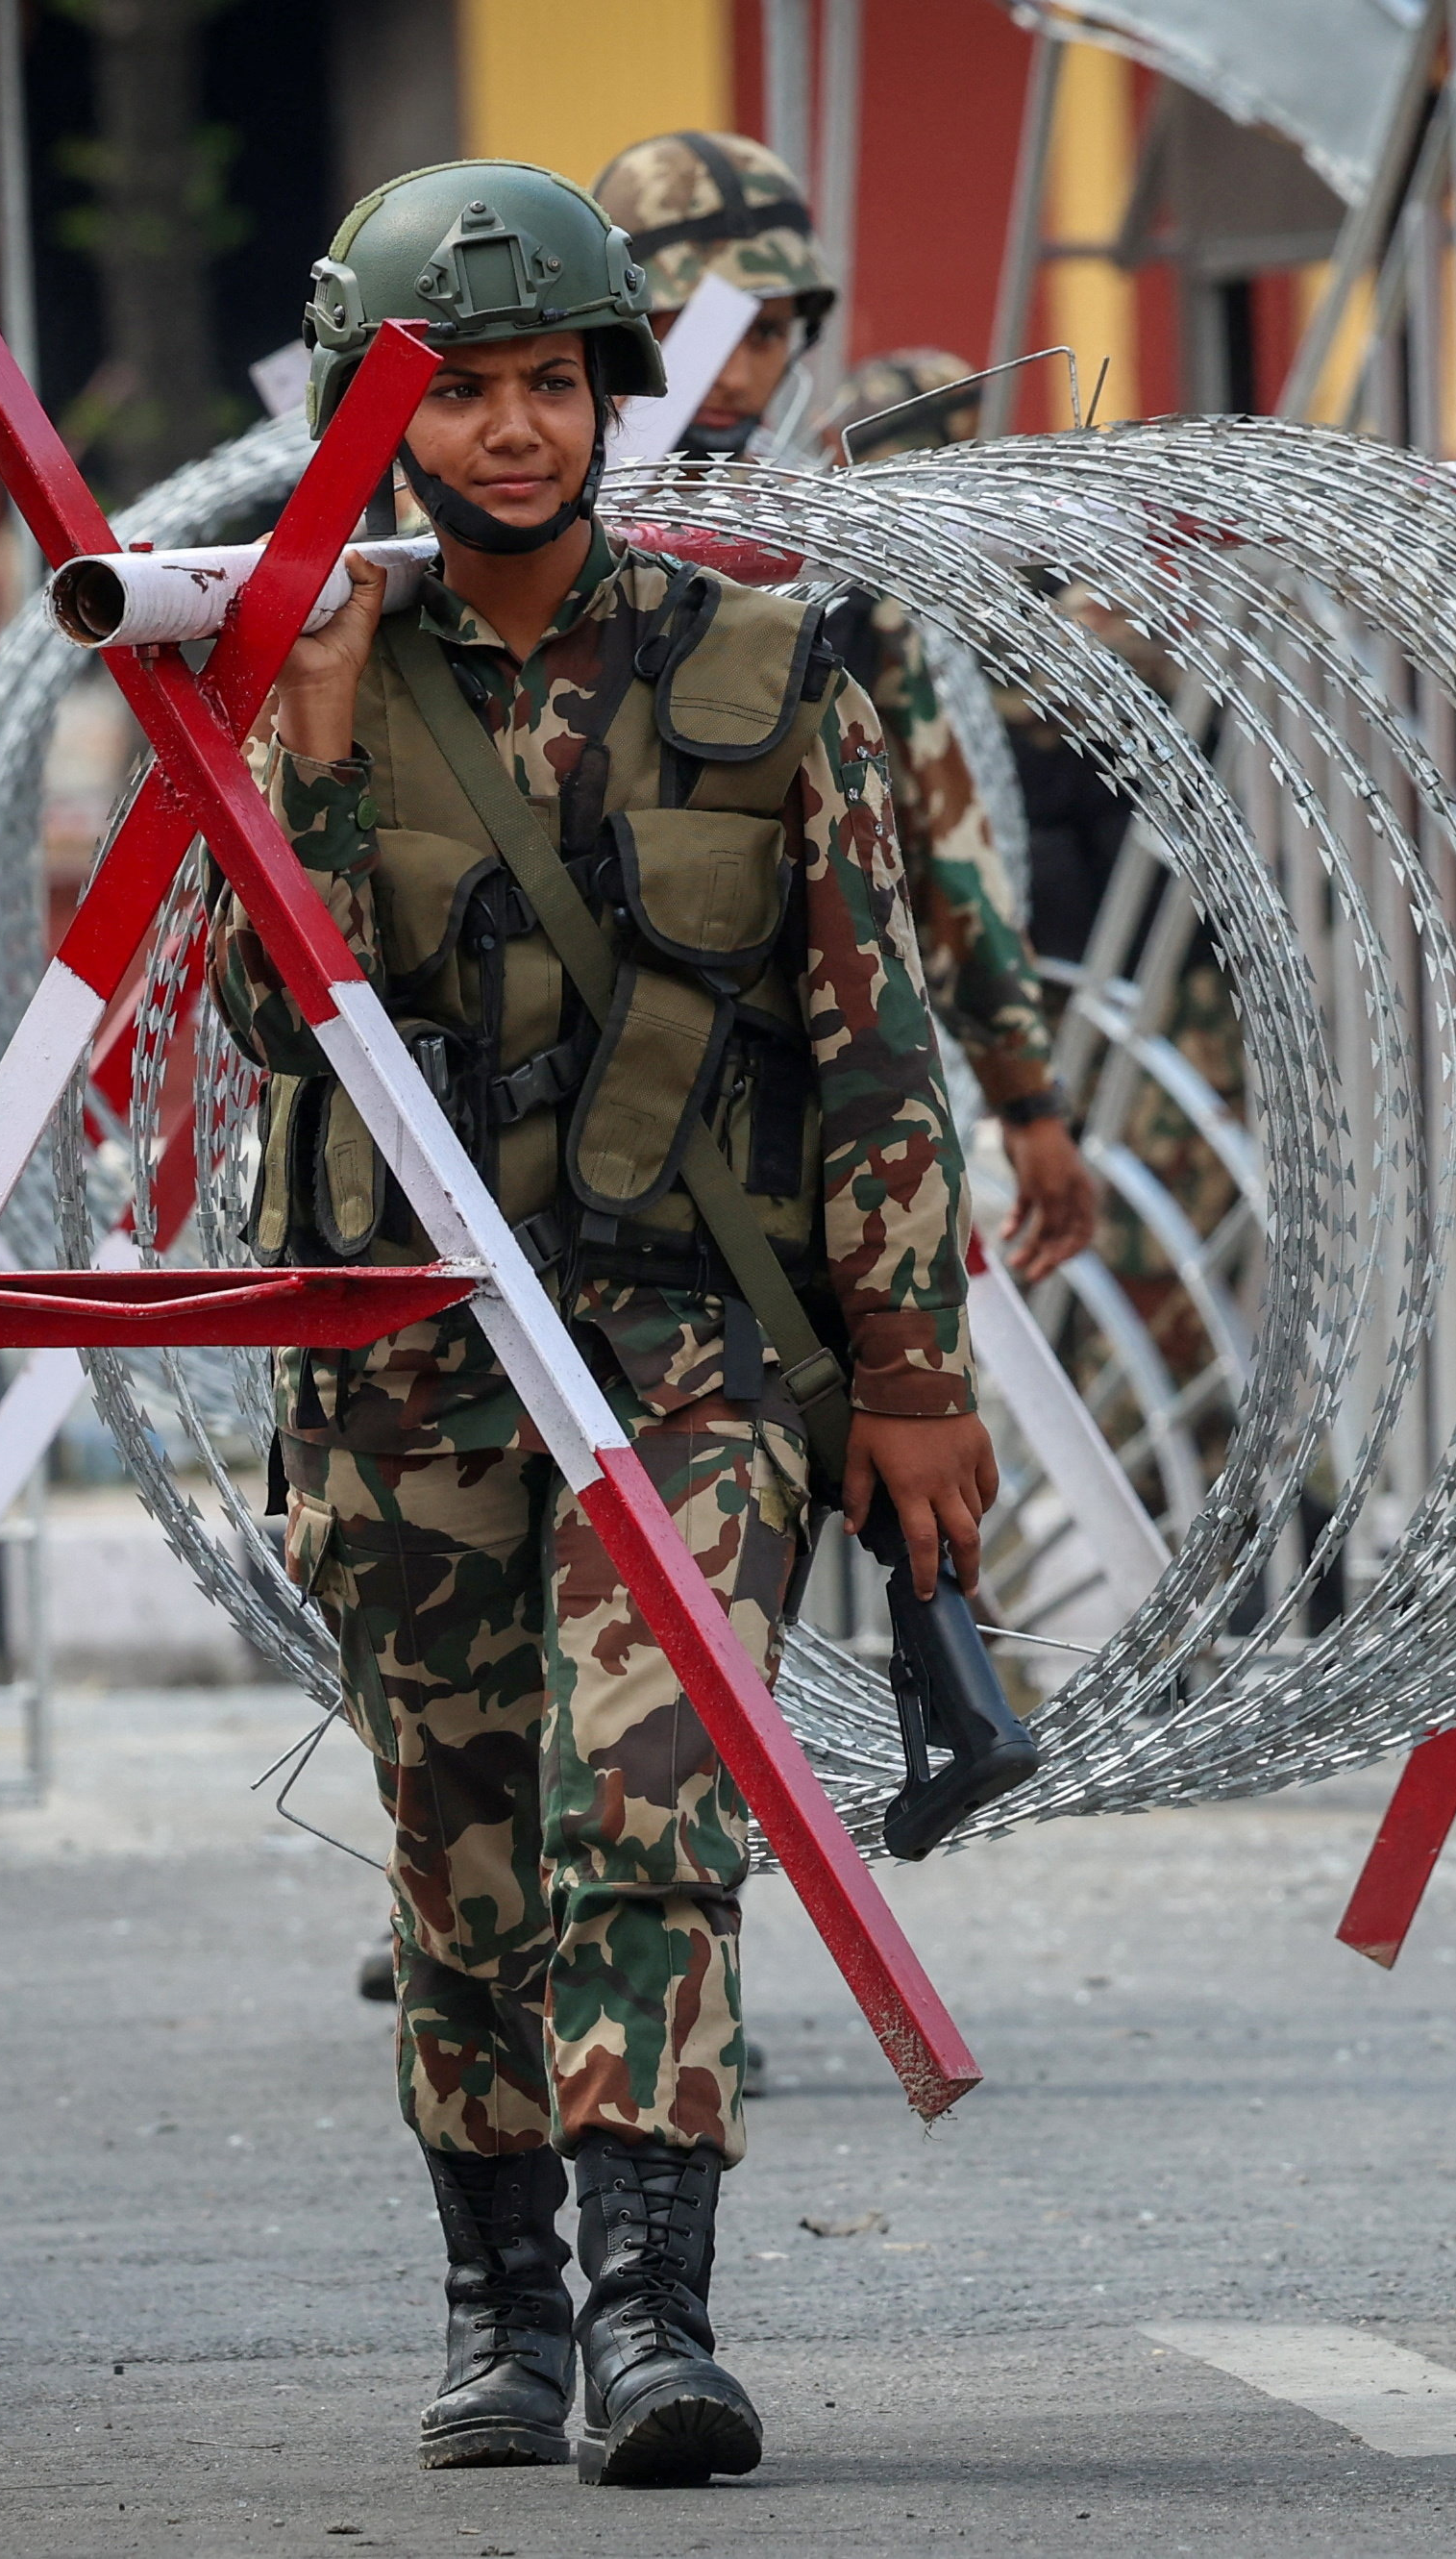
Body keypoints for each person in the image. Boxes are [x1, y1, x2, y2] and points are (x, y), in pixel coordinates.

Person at [233, 161, 989, 2485]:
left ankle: (654, 2311)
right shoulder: (299, 664)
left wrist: (910, 1374)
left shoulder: (758, 666)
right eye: (456, 390)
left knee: (646, 1794)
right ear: (373, 421)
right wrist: (314, 735)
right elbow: (268, 1012)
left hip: (690, 1348)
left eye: (550, 382)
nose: (511, 428)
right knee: (459, 1842)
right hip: (408, 1356)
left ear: (607, 397)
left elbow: (874, 1045)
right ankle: (502, 2309)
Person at [589, 139, 1098, 1282]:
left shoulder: (824, 557)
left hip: (779, 1078)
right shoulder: (496, 544)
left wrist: (1026, 1097)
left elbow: (938, 834)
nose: (730, 368)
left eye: (765, 332)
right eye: (693, 327)